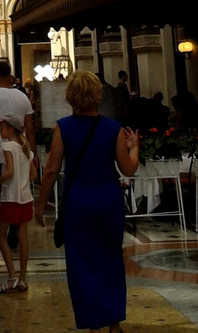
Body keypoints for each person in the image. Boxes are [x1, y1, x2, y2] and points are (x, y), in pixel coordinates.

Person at [34, 70, 139, 333]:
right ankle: (114, 324)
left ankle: (93, 325)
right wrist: (134, 147)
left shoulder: (63, 128)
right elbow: (128, 169)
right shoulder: (113, 128)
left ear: (71, 97)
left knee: (82, 266)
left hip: (78, 203)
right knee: (111, 261)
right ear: (97, 96)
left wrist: (40, 203)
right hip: (107, 201)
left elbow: (51, 170)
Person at [0, 114, 36, 294]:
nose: (0, 131)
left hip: (10, 197)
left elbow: (8, 172)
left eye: (2, 128)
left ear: (11, 129)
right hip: (26, 198)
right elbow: (33, 175)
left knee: (0, 235)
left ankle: (12, 276)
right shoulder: (26, 150)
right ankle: (23, 278)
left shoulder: (7, 146)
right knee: (22, 236)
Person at [0, 60, 35, 153]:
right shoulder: (23, 97)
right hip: (21, 150)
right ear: (10, 78)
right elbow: (30, 128)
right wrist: (32, 153)